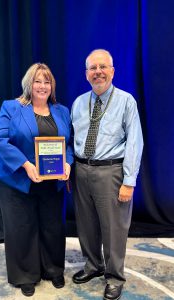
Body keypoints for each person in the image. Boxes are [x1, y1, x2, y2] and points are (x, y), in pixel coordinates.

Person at [0, 63, 73, 297]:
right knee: (21, 227)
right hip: (17, 179)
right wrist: (25, 165)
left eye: (47, 82)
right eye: (38, 81)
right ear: (29, 84)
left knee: (53, 226)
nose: (43, 86)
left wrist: (67, 163)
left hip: (51, 181)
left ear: (52, 86)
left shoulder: (62, 111)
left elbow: (68, 143)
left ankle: (53, 269)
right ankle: (25, 275)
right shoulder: (12, 107)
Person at [71, 49, 143, 300]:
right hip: (80, 171)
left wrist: (129, 181)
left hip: (111, 172)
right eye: (93, 68)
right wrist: (68, 170)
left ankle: (115, 277)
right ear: (86, 74)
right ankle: (93, 266)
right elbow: (72, 141)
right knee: (86, 224)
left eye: (103, 67)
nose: (98, 72)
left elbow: (135, 142)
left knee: (114, 229)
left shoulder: (126, 101)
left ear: (112, 71)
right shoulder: (79, 102)